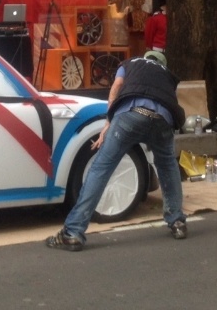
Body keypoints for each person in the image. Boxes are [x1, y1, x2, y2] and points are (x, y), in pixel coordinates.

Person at [45, 50, 188, 251]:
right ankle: (177, 222)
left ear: (145, 58)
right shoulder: (167, 75)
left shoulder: (130, 63)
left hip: (131, 115)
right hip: (162, 120)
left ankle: (73, 232)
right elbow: (171, 102)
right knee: (168, 165)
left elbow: (117, 86)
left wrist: (108, 122)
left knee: (101, 168)